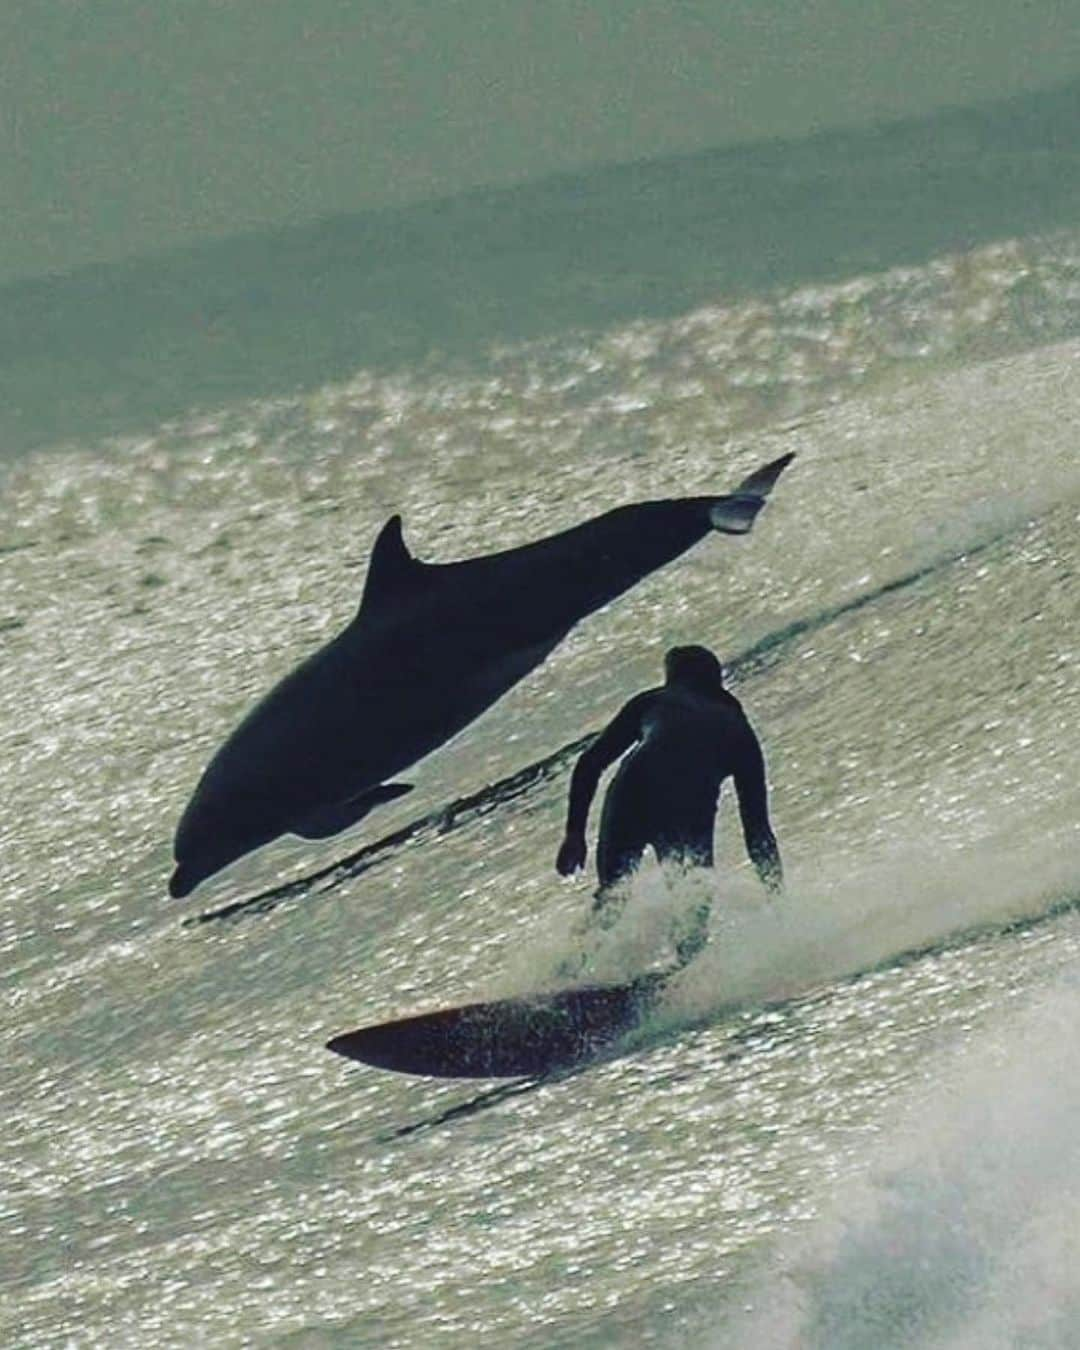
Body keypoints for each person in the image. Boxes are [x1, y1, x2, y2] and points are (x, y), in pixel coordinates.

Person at [556, 645, 782, 965]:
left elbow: (591, 763)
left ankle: (562, 977)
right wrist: (777, 894)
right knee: (691, 912)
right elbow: (758, 830)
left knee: (611, 898)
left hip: (631, 794)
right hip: (686, 812)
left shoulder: (655, 700)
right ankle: (681, 981)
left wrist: (574, 833)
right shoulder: (740, 733)